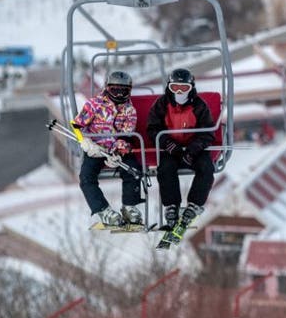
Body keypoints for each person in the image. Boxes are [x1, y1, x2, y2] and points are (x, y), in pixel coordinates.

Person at [146, 68, 217, 233]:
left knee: (206, 167)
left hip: (194, 148)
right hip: (171, 149)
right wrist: (168, 144)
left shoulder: (199, 106)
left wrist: (193, 149)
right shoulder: (161, 104)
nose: (179, 92)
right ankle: (171, 206)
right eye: (175, 88)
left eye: (183, 88)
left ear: (191, 87)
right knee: (165, 169)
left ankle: (194, 205)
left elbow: (208, 132)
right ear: (169, 87)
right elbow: (153, 129)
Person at [72, 70, 143, 227]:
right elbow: (76, 125)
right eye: (115, 89)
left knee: (134, 170)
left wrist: (117, 152)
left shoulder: (129, 110)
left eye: (123, 90)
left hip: (116, 149)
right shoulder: (94, 104)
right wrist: (85, 142)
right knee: (86, 177)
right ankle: (103, 210)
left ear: (129, 90)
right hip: (95, 148)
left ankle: (129, 206)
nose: (119, 94)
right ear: (107, 88)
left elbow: (126, 135)